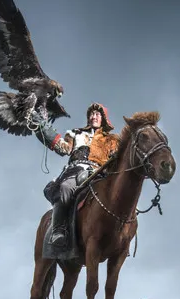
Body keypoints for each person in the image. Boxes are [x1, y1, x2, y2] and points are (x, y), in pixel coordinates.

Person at [32, 102, 120, 248]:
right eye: (91, 114)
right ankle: (59, 230)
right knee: (66, 187)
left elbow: (119, 159)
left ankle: (121, 234)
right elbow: (63, 148)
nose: (93, 117)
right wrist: (42, 127)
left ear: (103, 118)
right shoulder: (76, 134)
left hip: (100, 173)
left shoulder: (112, 140)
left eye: (97, 114)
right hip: (76, 170)